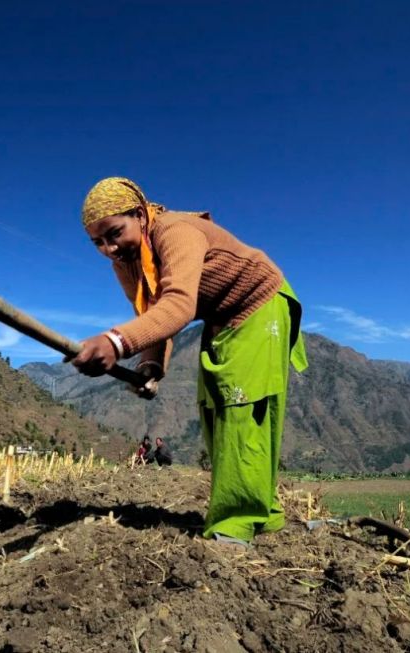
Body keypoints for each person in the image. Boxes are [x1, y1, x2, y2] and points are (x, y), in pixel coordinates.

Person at [70, 177, 308, 546]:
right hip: (221, 317)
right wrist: (150, 368)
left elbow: (178, 304)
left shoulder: (175, 231)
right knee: (214, 407)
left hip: (260, 303)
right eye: (97, 242)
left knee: (240, 406)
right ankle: (265, 515)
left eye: (115, 233)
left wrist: (116, 342)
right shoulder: (127, 261)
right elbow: (151, 313)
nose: (108, 248)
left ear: (140, 215)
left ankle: (236, 522)